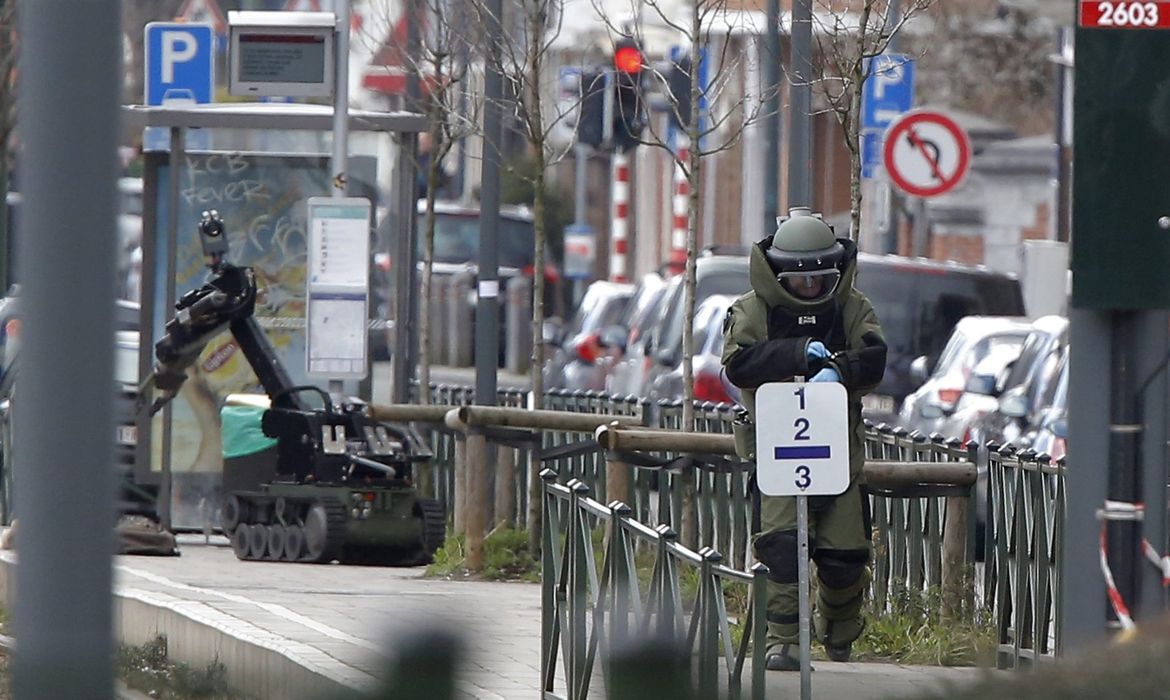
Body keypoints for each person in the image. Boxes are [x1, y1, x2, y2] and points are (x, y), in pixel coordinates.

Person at [720, 210, 887, 671]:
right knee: (781, 547)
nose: (812, 288)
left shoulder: (853, 308)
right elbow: (739, 365)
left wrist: (840, 369)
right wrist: (795, 355)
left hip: (839, 455)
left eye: (821, 279)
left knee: (845, 553)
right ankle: (784, 641)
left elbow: (874, 358)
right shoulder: (752, 311)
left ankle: (839, 628)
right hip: (777, 453)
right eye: (802, 280)